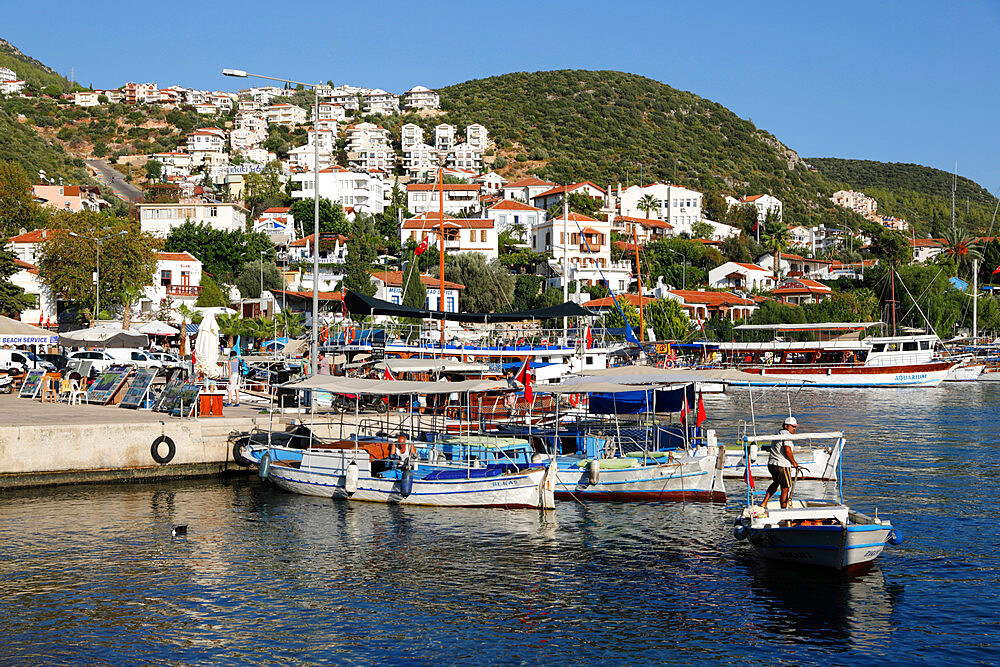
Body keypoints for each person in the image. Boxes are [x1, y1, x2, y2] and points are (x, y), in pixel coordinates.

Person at [760, 416, 802, 509]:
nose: (794, 429)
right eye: (793, 426)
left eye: (795, 427)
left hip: (772, 464)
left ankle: (764, 503)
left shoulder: (778, 432)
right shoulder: (787, 435)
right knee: (785, 488)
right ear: (786, 426)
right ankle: (783, 510)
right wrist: (794, 463)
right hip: (782, 465)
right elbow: (787, 449)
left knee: (776, 483)